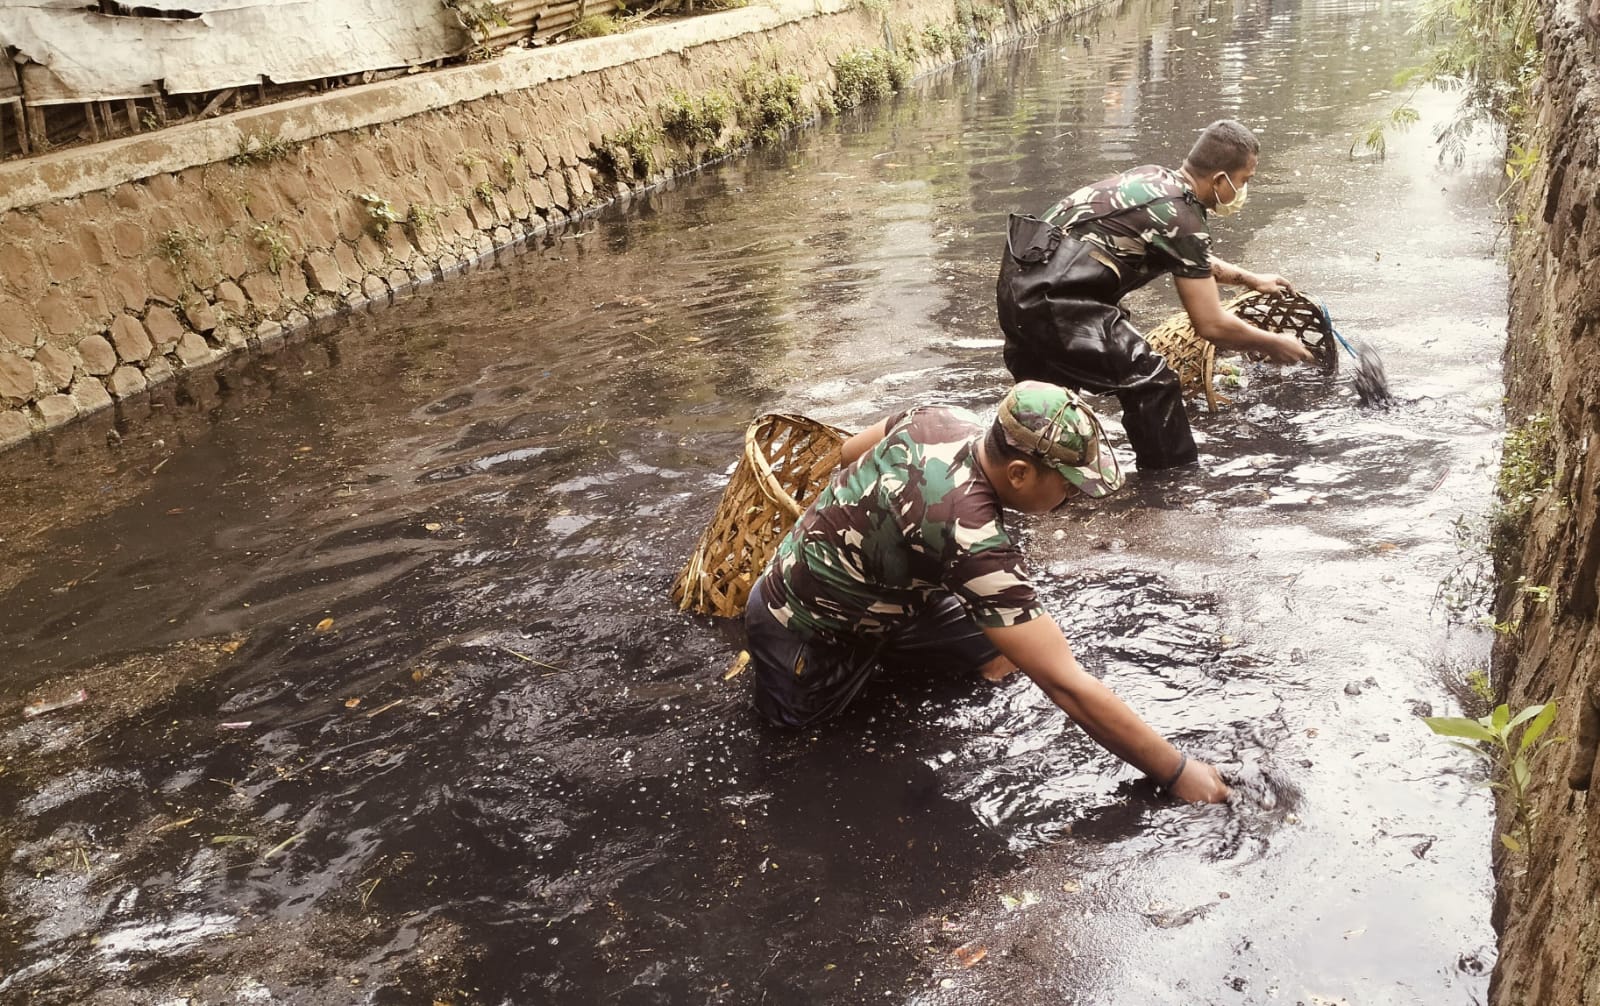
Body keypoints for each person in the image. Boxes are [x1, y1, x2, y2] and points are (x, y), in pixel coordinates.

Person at [744, 381, 1230, 804]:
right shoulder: (973, 542)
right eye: (1067, 486)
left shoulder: (939, 418)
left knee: (1004, 655)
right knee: (799, 750)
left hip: (901, 588)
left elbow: (850, 452)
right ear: (1019, 472)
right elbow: (1066, 683)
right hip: (801, 623)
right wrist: (1178, 772)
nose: (1069, 499)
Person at [996, 118, 1314, 471]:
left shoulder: (1155, 180)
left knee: (1046, 407)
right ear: (1221, 179)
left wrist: (1249, 279)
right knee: (1152, 382)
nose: (1243, 190)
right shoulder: (1183, 217)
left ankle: (1017, 474)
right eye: (1245, 180)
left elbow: (1188, 257)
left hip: (1020, 286)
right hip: (1053, 301)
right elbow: (1210, 324)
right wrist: (1274, 343)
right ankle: (1171, 487)